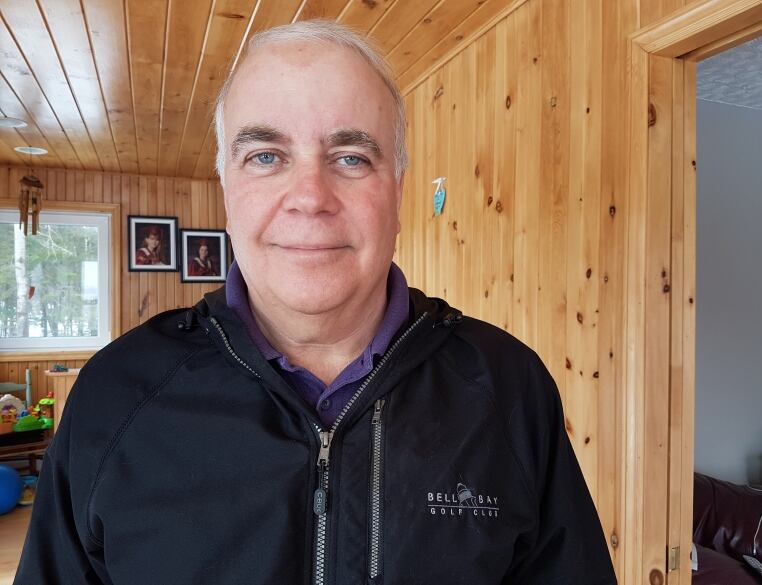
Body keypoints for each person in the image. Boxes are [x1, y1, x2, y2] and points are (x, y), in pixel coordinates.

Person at [15, 21, 617, 585]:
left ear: (399, 191)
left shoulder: (508, 388)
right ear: (228, 187)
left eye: (351, 158)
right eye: (266, 157)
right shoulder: (115, 396)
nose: (309, 197)